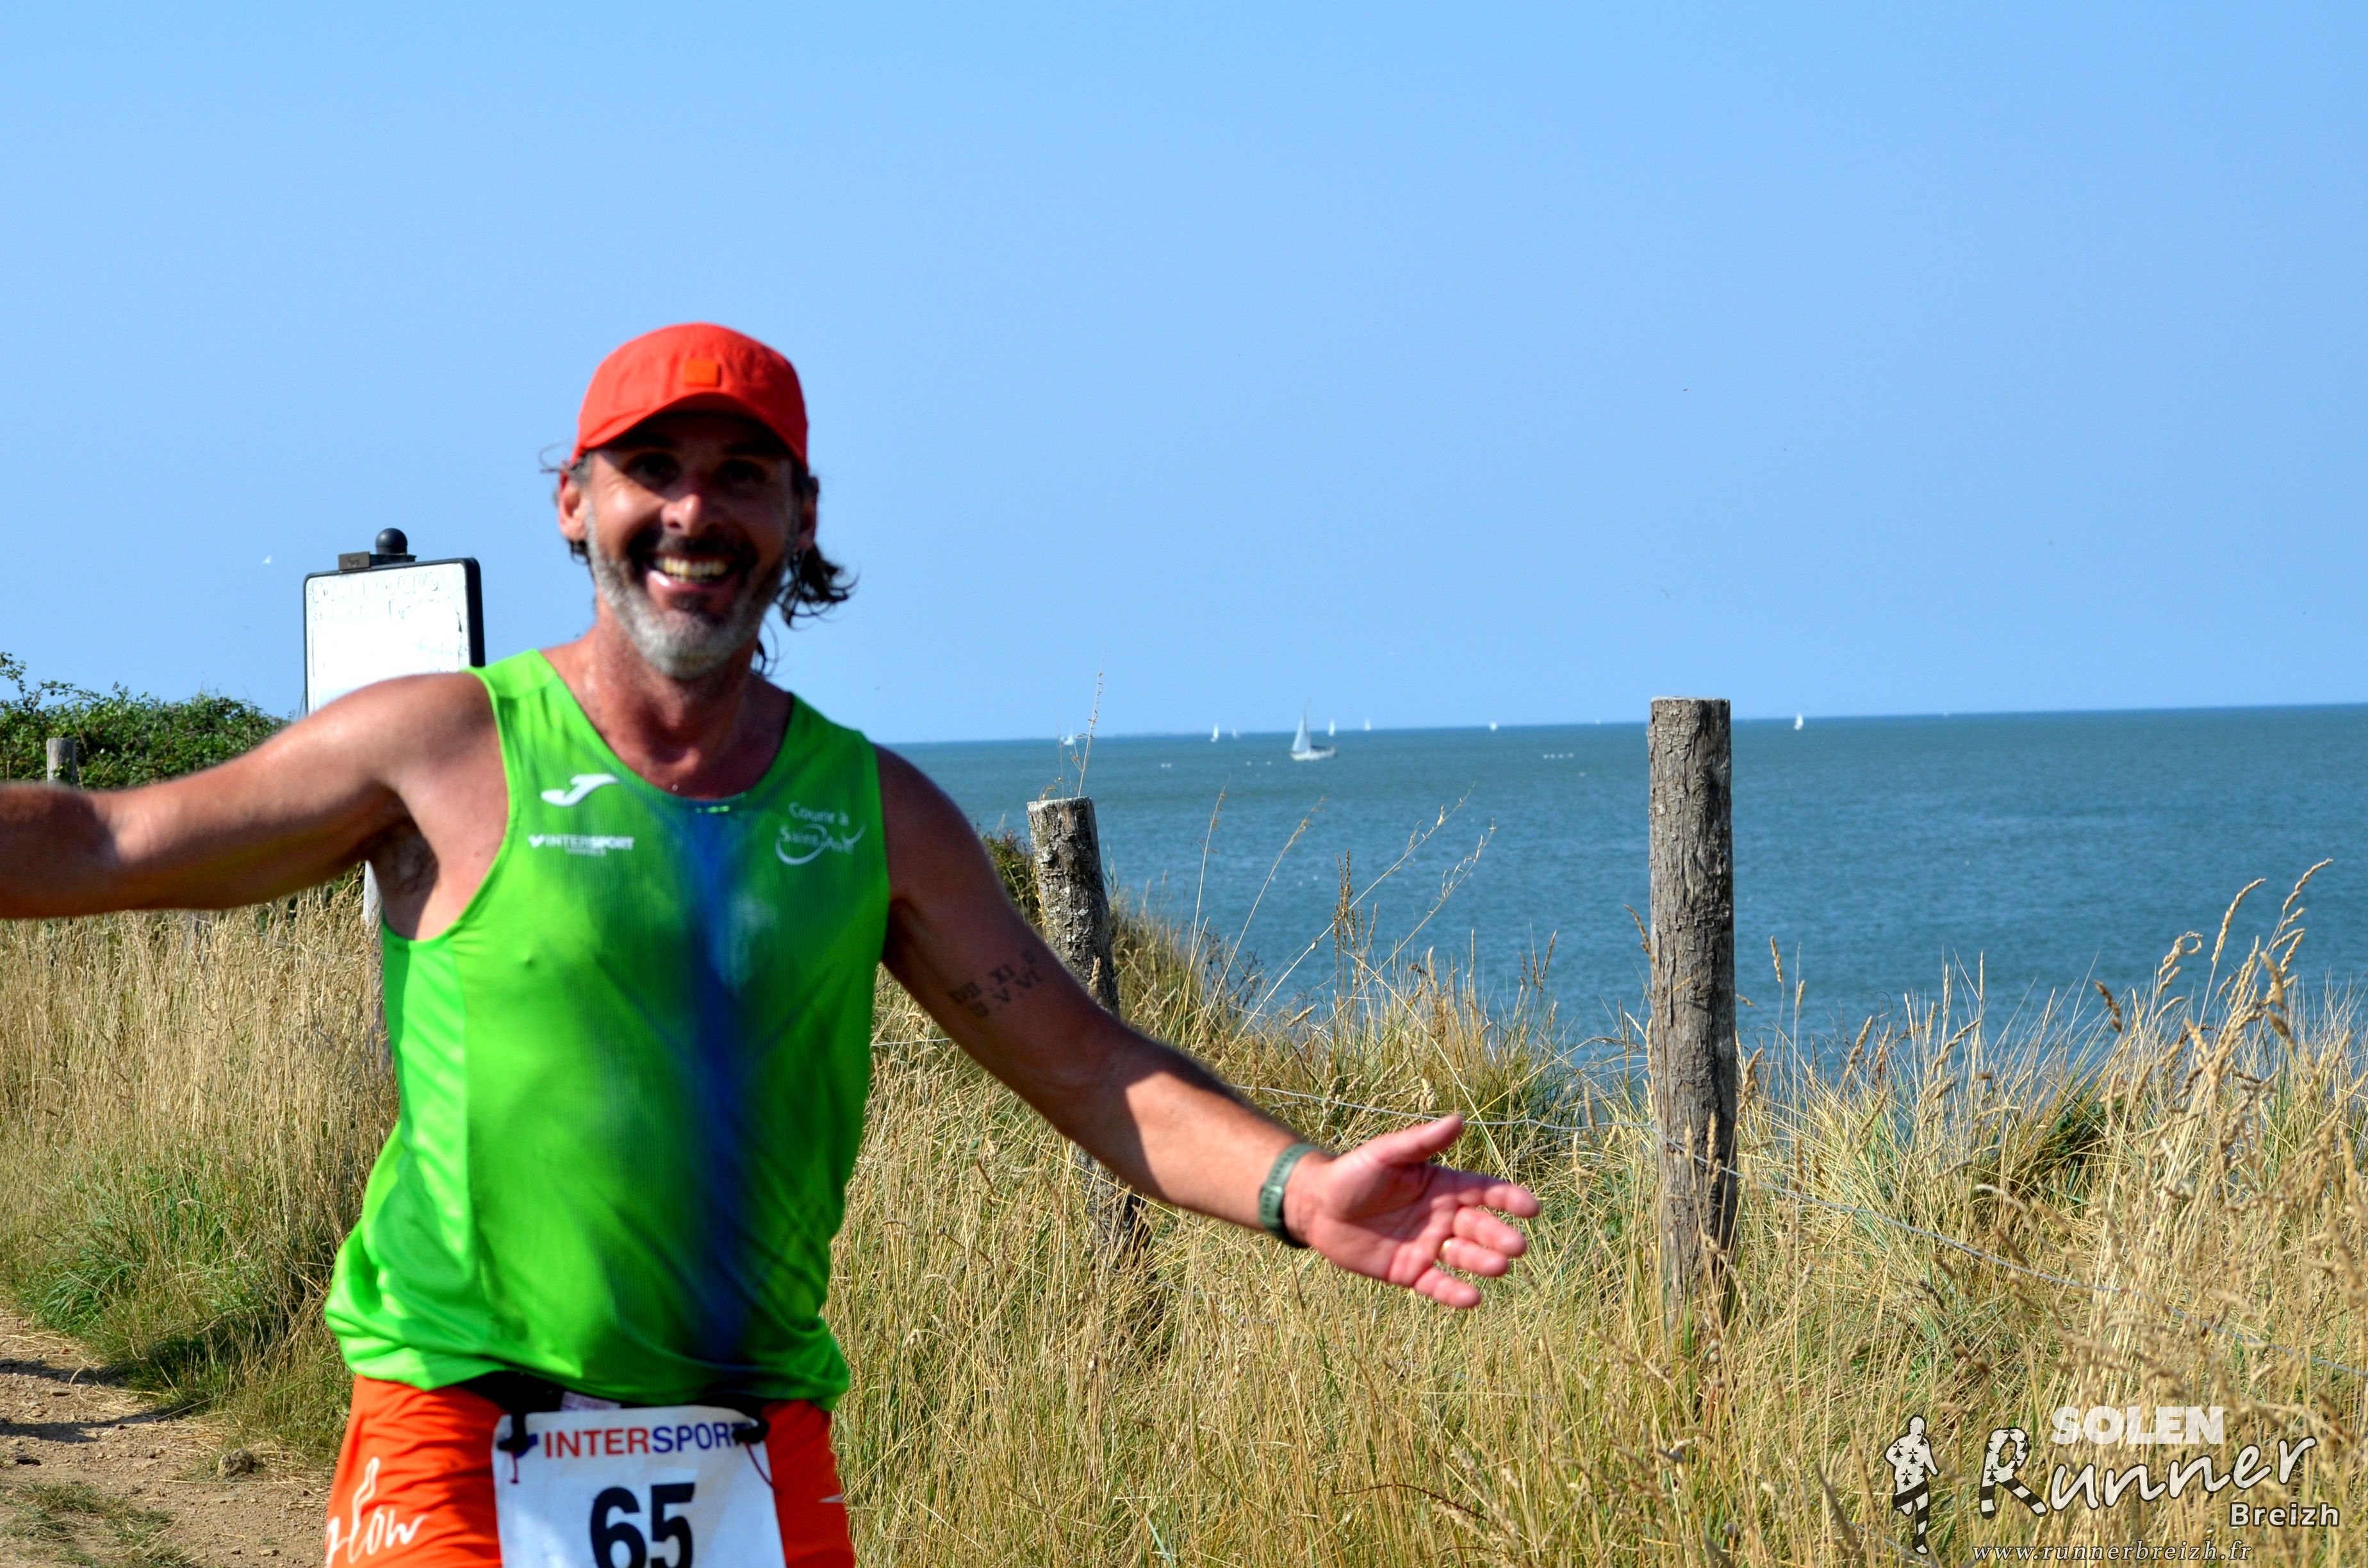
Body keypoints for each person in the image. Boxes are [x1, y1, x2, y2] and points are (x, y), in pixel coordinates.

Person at [0, 323, 1542, 1567]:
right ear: (573, 503)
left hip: (750, 1448)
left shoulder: (876, 813)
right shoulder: (445, 749)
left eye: (743, 475)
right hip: (460, 1429)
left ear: (801, 519)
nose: (694, 512)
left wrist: (1297, 1189)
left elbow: (1087, 1068)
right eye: (650, 469)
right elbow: (110, 841)